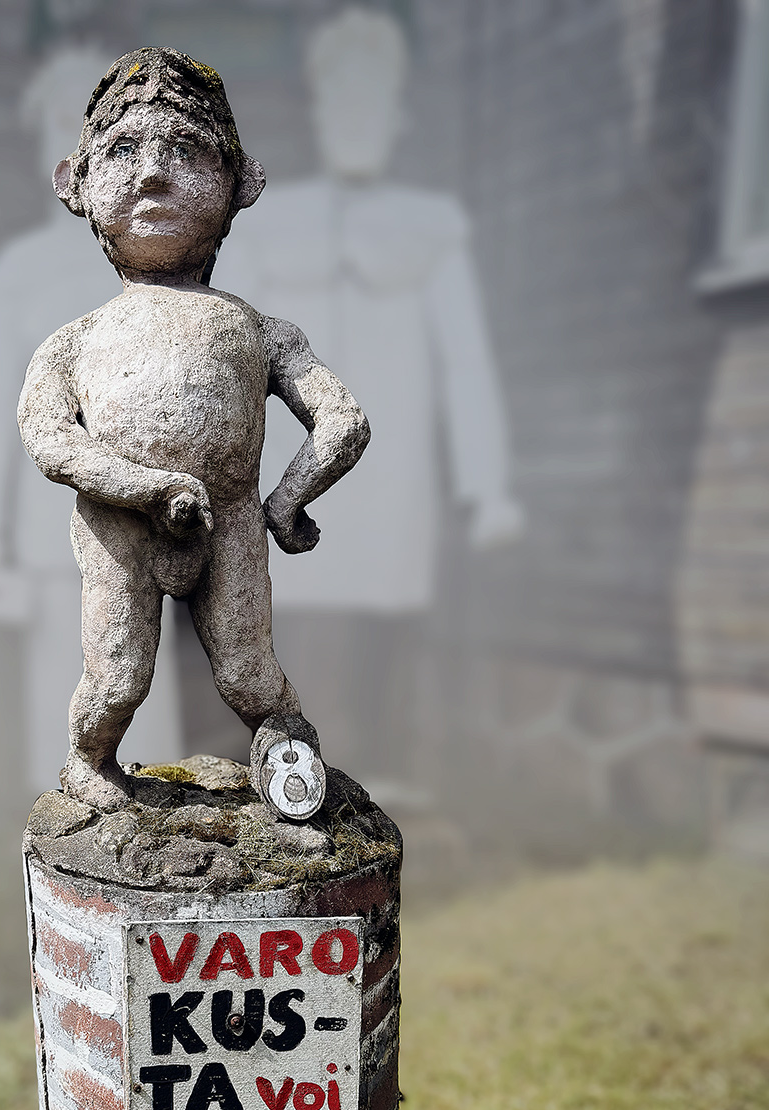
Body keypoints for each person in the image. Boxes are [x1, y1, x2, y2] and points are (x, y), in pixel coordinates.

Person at [17, 48, 369, 818]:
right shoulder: (74, 344)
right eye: (123, 151)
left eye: (186, 149)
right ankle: (89, 762)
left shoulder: (260, 331)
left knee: (253, 677)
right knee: (116, 681)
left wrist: (285, 501)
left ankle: (289, 771)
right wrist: (146, 489)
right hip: (121, 527)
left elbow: (343, 420)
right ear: (75, 184)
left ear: (242, 183)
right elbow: (49, 441)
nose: (153, 174)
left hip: (230, 520)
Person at [215, 6, 522, 788]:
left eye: (374, 96)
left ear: (399, 112)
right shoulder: (271, 222)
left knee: (390, 621)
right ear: (319, 108)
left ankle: (387, 773)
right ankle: (295, 777)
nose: (357, 115)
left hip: (396, 467)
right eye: (342, 96)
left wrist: (488, 485)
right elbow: (233, 347)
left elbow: (466, 362)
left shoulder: (431, 227)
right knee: (294, 619)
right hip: (296, 465)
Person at [0, 48, 183, 796]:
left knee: (143, 666)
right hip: (49, 505)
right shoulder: (17, 272)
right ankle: (67, 817)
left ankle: (161, 804)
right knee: (64, 667)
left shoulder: (156, 263)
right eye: (54, 121)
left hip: (148, 502)